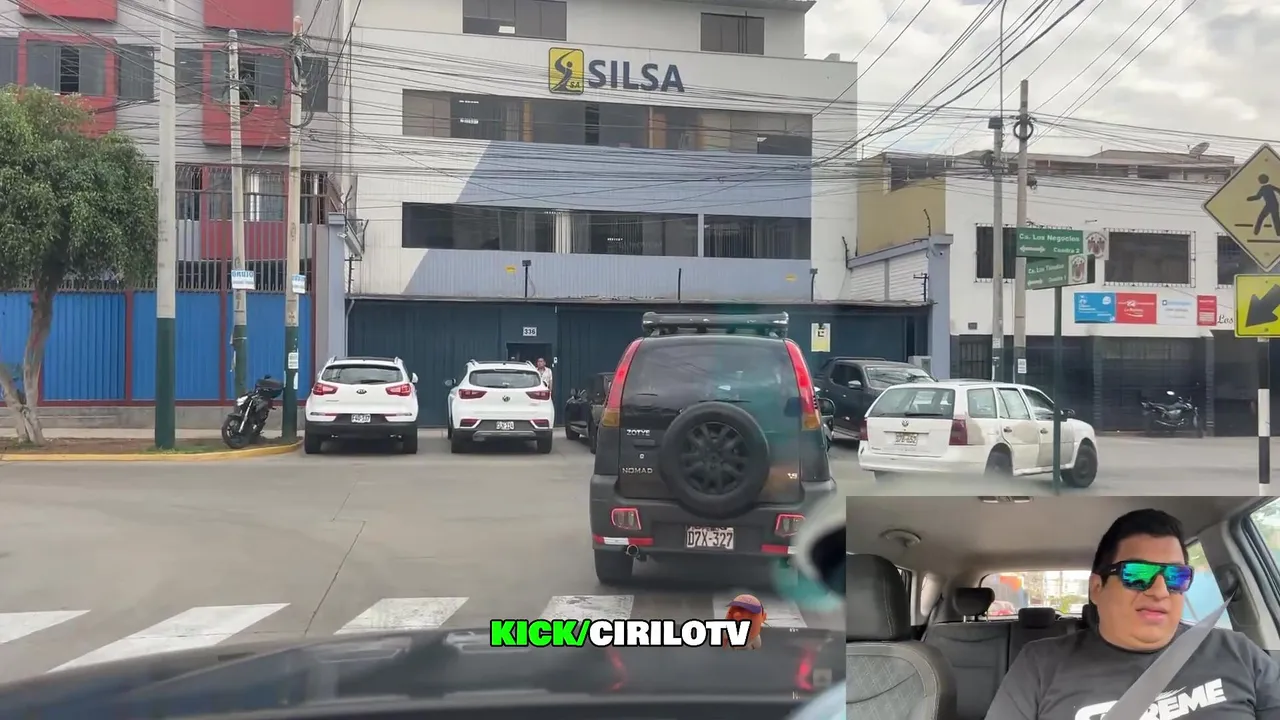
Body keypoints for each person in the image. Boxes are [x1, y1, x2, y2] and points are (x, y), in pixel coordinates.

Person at [985, 509, 1280, 720]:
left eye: (1175, 576)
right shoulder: (1039, 665)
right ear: (1097, 588)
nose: (1160, 591)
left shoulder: (1238, 651)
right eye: (1138, 574)